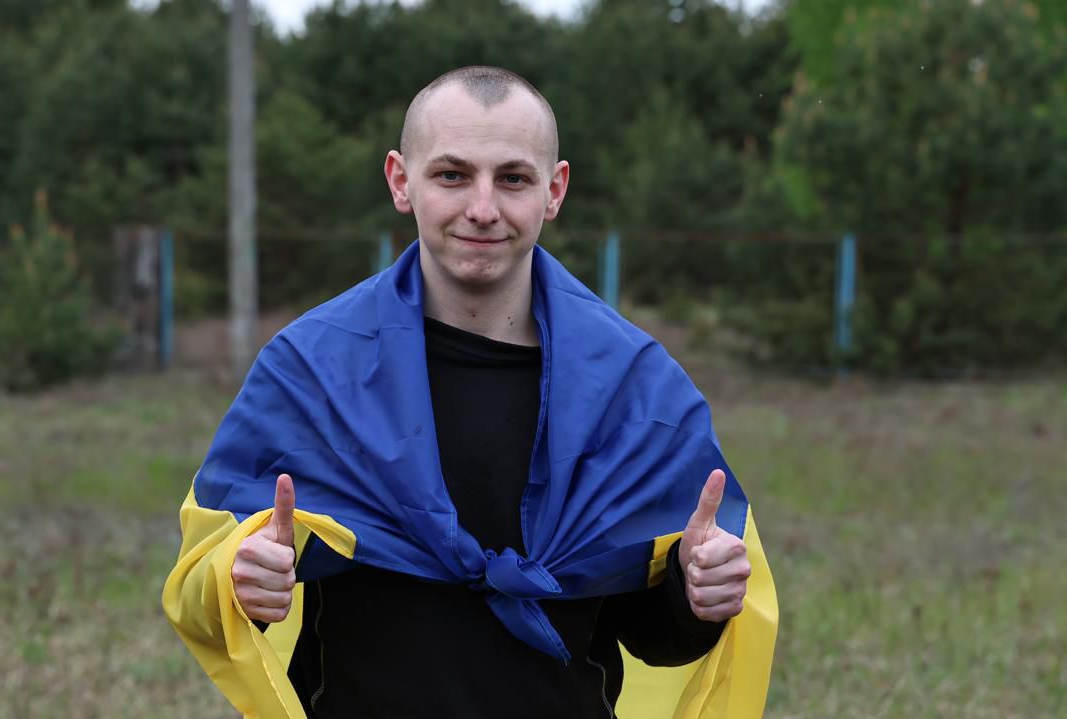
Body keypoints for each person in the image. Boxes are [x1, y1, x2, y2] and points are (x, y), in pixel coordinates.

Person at [163, 66, 777, 719]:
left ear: (554, 190)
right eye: (452, 175)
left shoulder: (637, 390)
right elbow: (208, 588)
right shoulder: (311, 372)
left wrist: (694, 592)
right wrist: (243, 582)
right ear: (401, 181)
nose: (482, 209)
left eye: (513, 179)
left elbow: (653, 632)